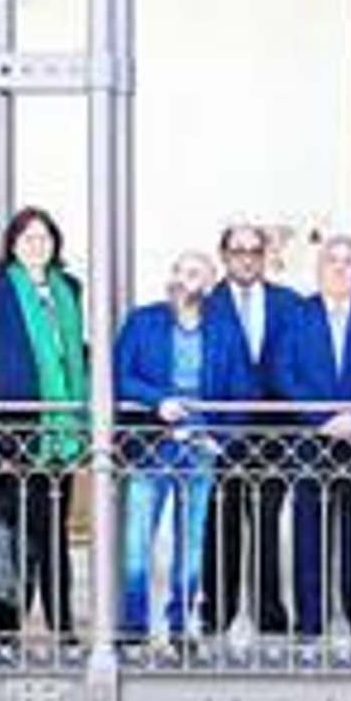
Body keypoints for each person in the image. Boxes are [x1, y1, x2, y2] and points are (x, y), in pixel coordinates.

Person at [115, 251, 254, 643]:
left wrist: (220, 439)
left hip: (201, 448)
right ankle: (133, 625)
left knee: (191, 545)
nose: (185, 279)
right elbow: (119, 376)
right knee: (137, 541)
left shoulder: (226, 330)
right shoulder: (142, 321)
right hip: (150, 445)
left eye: (196, 273)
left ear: (210, 284)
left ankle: (179, 623)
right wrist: (158, 400)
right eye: (181, 270)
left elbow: (242, 392)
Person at [0, 207, 87, 645]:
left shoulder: (69, 288)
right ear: (13, 245)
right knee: (15, 534)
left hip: (62, 433)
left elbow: (74, 353)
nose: (37, 245)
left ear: (55, 244)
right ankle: (8, 630)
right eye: (28, 238)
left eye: (44, 238)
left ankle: (62, 626)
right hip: (16, 431)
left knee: (54, 530)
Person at [270, 235, 351, 638]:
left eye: (350, 262)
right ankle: (311, 621)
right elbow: (283, 372)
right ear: (319, 269)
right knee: (309, 534)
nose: (341, 268)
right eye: (333, 261)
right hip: (311, 441)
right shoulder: (296, 315)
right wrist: (321, 417)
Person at [200, 224, 301, 636]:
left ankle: (269, 611)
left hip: (274, 433)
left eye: (254, 251)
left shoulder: (289, 303)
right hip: (221, 432)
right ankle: (217, 610)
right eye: (238, 251)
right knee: (220, 522)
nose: (246, 259)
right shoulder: (205, 304)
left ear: (265, 256)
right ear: (224, 256)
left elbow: (297, 362)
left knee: (267, 524)